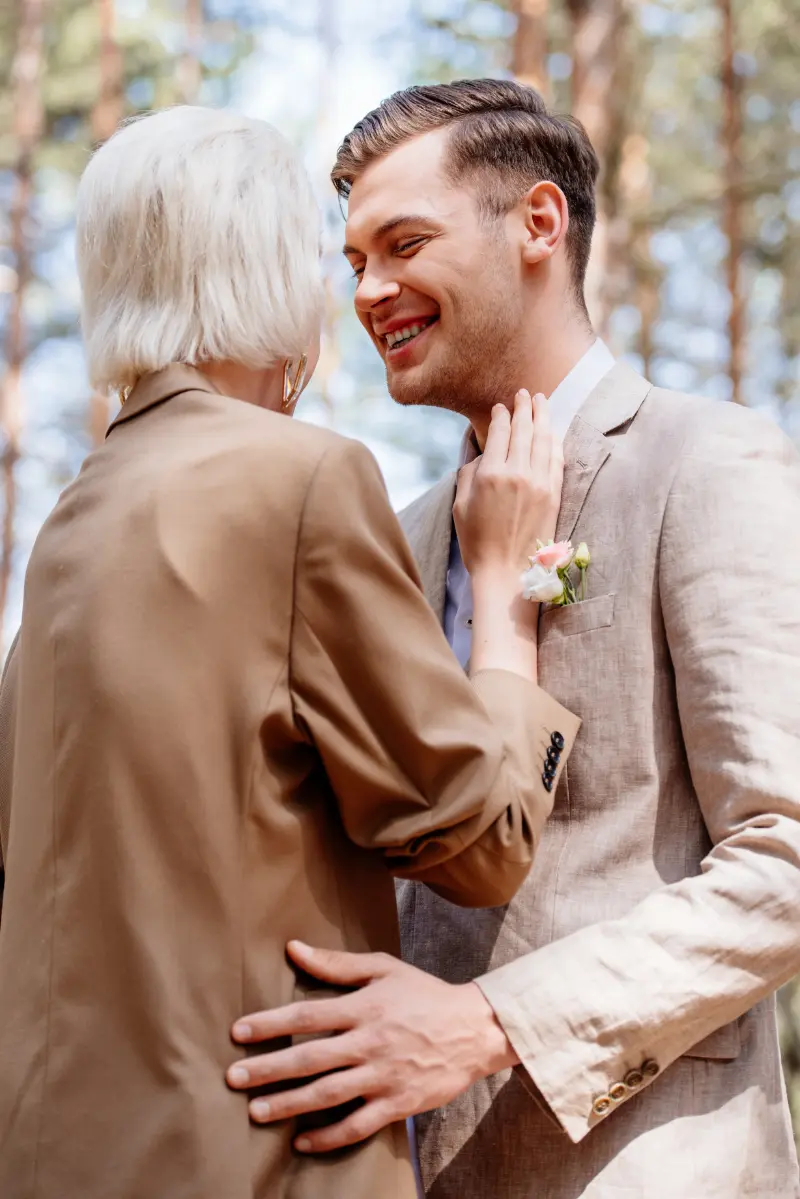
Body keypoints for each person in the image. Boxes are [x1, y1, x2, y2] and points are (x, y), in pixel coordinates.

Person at [227, 80, 800, 1198]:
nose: (369, 290)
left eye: (403, 243)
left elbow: (785, 859)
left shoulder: (703, 465)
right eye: (352, 263)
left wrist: (487, 1021)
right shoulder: (390, 536)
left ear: (538, 225)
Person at [0, 105, 580, 1199]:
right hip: (262, 1152)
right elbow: (482, 837)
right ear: (270, 277)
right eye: (332, 260)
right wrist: (502, 587)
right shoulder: (298, 478)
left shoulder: (68, 527)